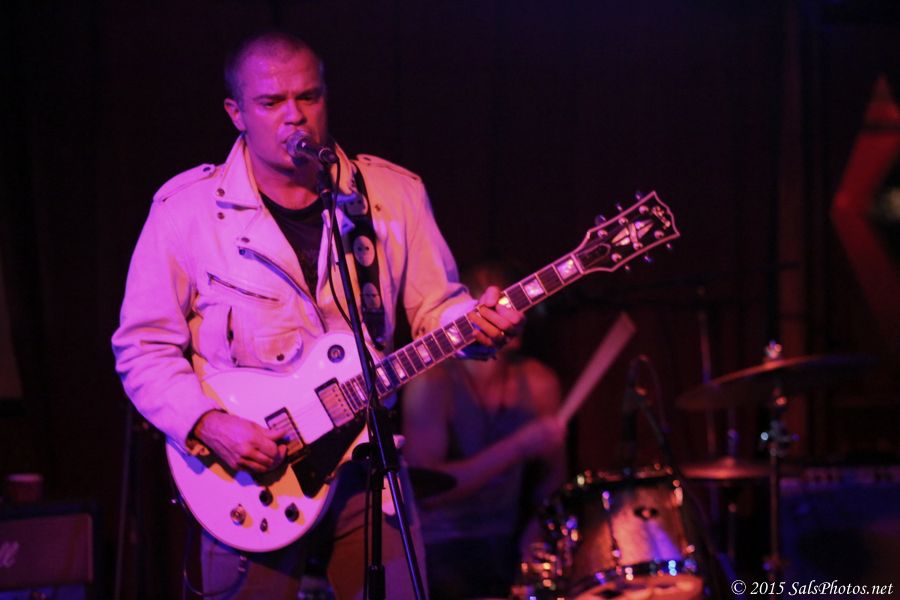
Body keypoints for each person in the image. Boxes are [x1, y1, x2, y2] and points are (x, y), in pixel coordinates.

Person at [111, 31, 522, 600]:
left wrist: (475, 327)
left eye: (308, 97)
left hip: (366, 467)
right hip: (251, 474)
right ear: (236, 113)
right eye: (271, 102)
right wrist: (207, 424)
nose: (294, 117)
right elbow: (141, 347)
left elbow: (436, 307)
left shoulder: (392, 194)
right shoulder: (187, 212)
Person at [402, 261, 567, 600]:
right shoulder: (432, 382)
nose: (496, 324)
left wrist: (536, 531)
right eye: (484, 316)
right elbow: (428, 491)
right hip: (440, 545)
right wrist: (519, 446)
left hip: (507, 538)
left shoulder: (539, 382)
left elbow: (553, 479)